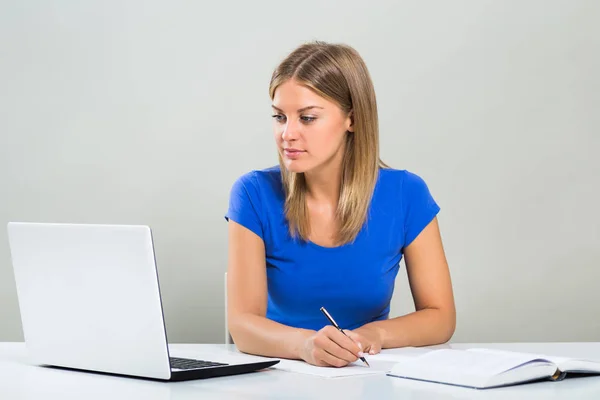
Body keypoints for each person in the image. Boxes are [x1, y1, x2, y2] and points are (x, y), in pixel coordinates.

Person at [225, 41, 455, 367]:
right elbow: (243, 325)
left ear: (353, 119)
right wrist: (306, 345)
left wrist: (373, 335)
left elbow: (440, 317)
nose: (287, 134)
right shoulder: (252, 193)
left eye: (306, 118)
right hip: (281, 378)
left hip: (367, 377)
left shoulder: (406, 193)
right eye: (279, 117)